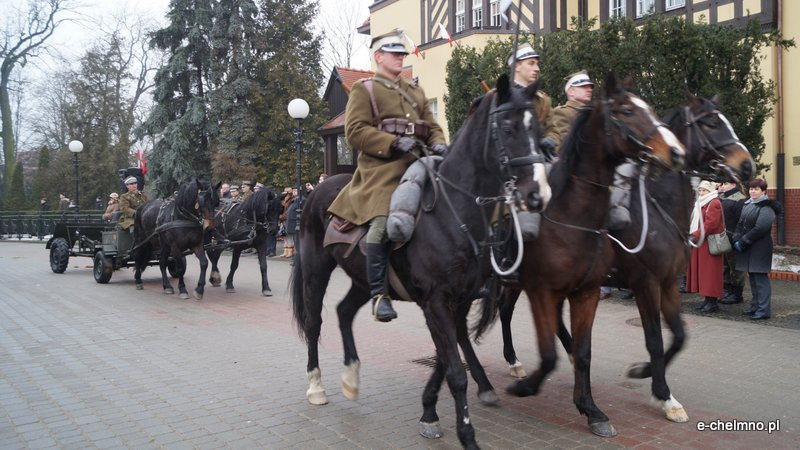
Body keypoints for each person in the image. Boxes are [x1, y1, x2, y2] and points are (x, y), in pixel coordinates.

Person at [328, 28, 447, 322]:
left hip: (421, 164)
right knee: (382, 222)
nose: (399, 58)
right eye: (394, 53)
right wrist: (392, 142)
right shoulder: (365, 89)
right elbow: (355, 131)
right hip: (382, 171)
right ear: (379, 57)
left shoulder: (415, 91)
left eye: (401, 54)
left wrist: (439, 143)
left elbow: (432, 126)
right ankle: (379, 294)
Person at [732, 179, 781, 320]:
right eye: (751, 189)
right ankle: (755, 306)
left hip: (760, 247)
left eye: (756, 189)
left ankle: (763, 310)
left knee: (760, 279)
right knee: (753, 278)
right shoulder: (748, 204)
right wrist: (736, 238)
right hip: (749, 246)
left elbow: (761, 228)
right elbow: (740, 223)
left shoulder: (767, 207)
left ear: (764, 191)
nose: (752, 191)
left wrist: (743, 241)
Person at [508, 43, 559, 155]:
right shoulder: (499, 96)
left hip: (536, 154)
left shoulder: (543, 100)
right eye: (531, 63)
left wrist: (550, 139)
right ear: (517, 66)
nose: (537, 69)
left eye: (537, 64)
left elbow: (553, 129)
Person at [687, 180, 725, 313]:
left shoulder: (714, 202)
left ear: (710, 191)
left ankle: (712, 302)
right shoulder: (701, 202)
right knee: (704, 273)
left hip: (709, 243)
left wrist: (695, 235)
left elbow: (711, 224)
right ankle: (708, 300)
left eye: (704, 190)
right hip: (702, 242)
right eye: (700, 190)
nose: (701, 192)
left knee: (710, 273)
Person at [718, 181, 747, 304]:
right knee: (725, 265)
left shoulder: (740, 199)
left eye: (726, 183)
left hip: (734, 238)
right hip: (722, 237)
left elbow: (741, 221)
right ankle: (727, 290)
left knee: (736, 267)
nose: (723, 186)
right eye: (722, 184)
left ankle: (737, 295)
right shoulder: (721, 197)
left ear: (734, 185)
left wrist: (738, 238)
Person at [552, 70, 594, 148]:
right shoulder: (562, 112)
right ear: (571, 91)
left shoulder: (593, 113)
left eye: (590, 87)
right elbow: (564, 145)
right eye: (584, 86)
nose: (590, 90)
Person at [281, 188, 298, 258]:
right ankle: (286, 251)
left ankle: (290, 251)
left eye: (286, 192)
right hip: (284, 218)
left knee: (289, 235)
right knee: (285, 235)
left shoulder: (292, 199)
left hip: (288, 218)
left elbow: (289, 210)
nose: (284, 193)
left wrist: (284, 216)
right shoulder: (285, 199)